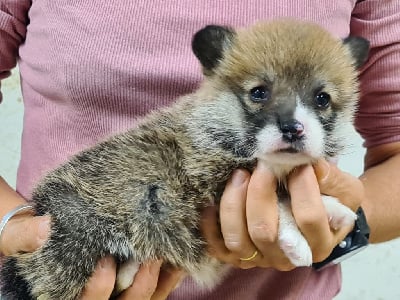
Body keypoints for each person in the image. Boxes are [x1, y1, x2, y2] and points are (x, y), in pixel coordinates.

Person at [0, 0, 399, 299]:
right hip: (67, 243)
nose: (294, 124)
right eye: (259, 94)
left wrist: (346, 225)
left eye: (322, 101)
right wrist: (10, 222)